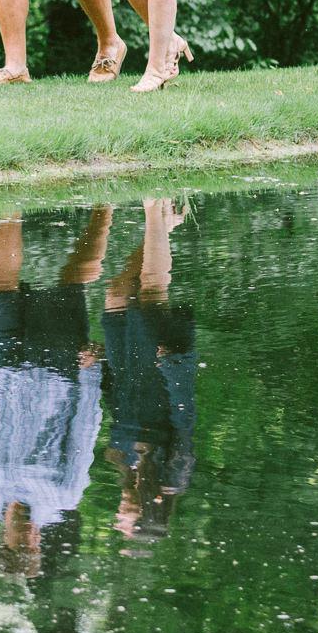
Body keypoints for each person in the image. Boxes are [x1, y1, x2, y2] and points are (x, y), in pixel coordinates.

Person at [0, 208, 112, 579]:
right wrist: (91, 375)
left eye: (18, 544)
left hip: (1, 371)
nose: (27, 538)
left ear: (3, 540)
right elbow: (83, 435)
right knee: (72, 281)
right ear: (40, 545)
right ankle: (104, 208)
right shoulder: (62, 497)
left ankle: (11, 204)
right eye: (32, 547)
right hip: (56, 372)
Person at [101, 198, 198, 551]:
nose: (118, 517)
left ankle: (163, 226)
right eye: (125, 523)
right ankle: (153, 207)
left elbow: (116, 415)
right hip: (156, 379)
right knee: (152, 293)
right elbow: (184, 419)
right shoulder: (173, 476)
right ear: (145, 514)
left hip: (126, 375)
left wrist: (101, 372)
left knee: (116, 294)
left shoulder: (129, 476)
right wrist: (174, 363)